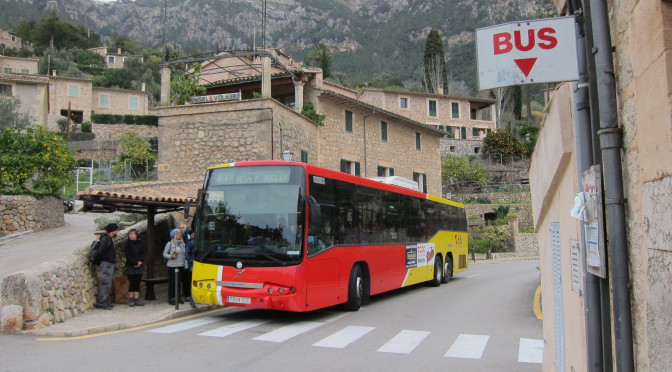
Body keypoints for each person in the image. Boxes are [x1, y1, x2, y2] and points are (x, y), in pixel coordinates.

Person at [96, 223, 119, 310]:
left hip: (108, 264)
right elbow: (101, 251)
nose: (117, 232)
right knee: (105, 282)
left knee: (107, 283)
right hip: (106, 264)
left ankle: (104, 301)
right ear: (113, 231)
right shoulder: (106, 239)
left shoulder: (108, 239)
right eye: (116, 230)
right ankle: (102, 302)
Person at [163, 228, 186, 305]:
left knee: (179, 282)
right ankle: (171, 297)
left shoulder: (182, 244)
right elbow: (164, 254)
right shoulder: (170, 243)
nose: (180, 234)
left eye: (180, 233)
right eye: (178, 233)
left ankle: (178, 297)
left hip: (181, 265)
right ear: (174, 235)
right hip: (172, 266)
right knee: (172, 282)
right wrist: (171, 256)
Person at [124, 228, 145, 307]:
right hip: (131, 266)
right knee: (132, 282)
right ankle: (131, 299)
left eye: (132, 234)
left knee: (137, 282)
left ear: (136, 235)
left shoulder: (140, 243)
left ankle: (137, 299)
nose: (131, 236)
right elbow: (127, 255)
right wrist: (135, 262)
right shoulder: (128, 244)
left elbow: (143, 253)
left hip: (139, 266)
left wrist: (140, 261)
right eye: (130, 234)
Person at [184, 229, 196, 308]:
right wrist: (192, 261)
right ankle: (192, 300)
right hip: (193, 265)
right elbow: (187, 255)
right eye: (193, 234)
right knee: (193, 282)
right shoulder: (190, 243)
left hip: (200, 264)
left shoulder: (200, 243)